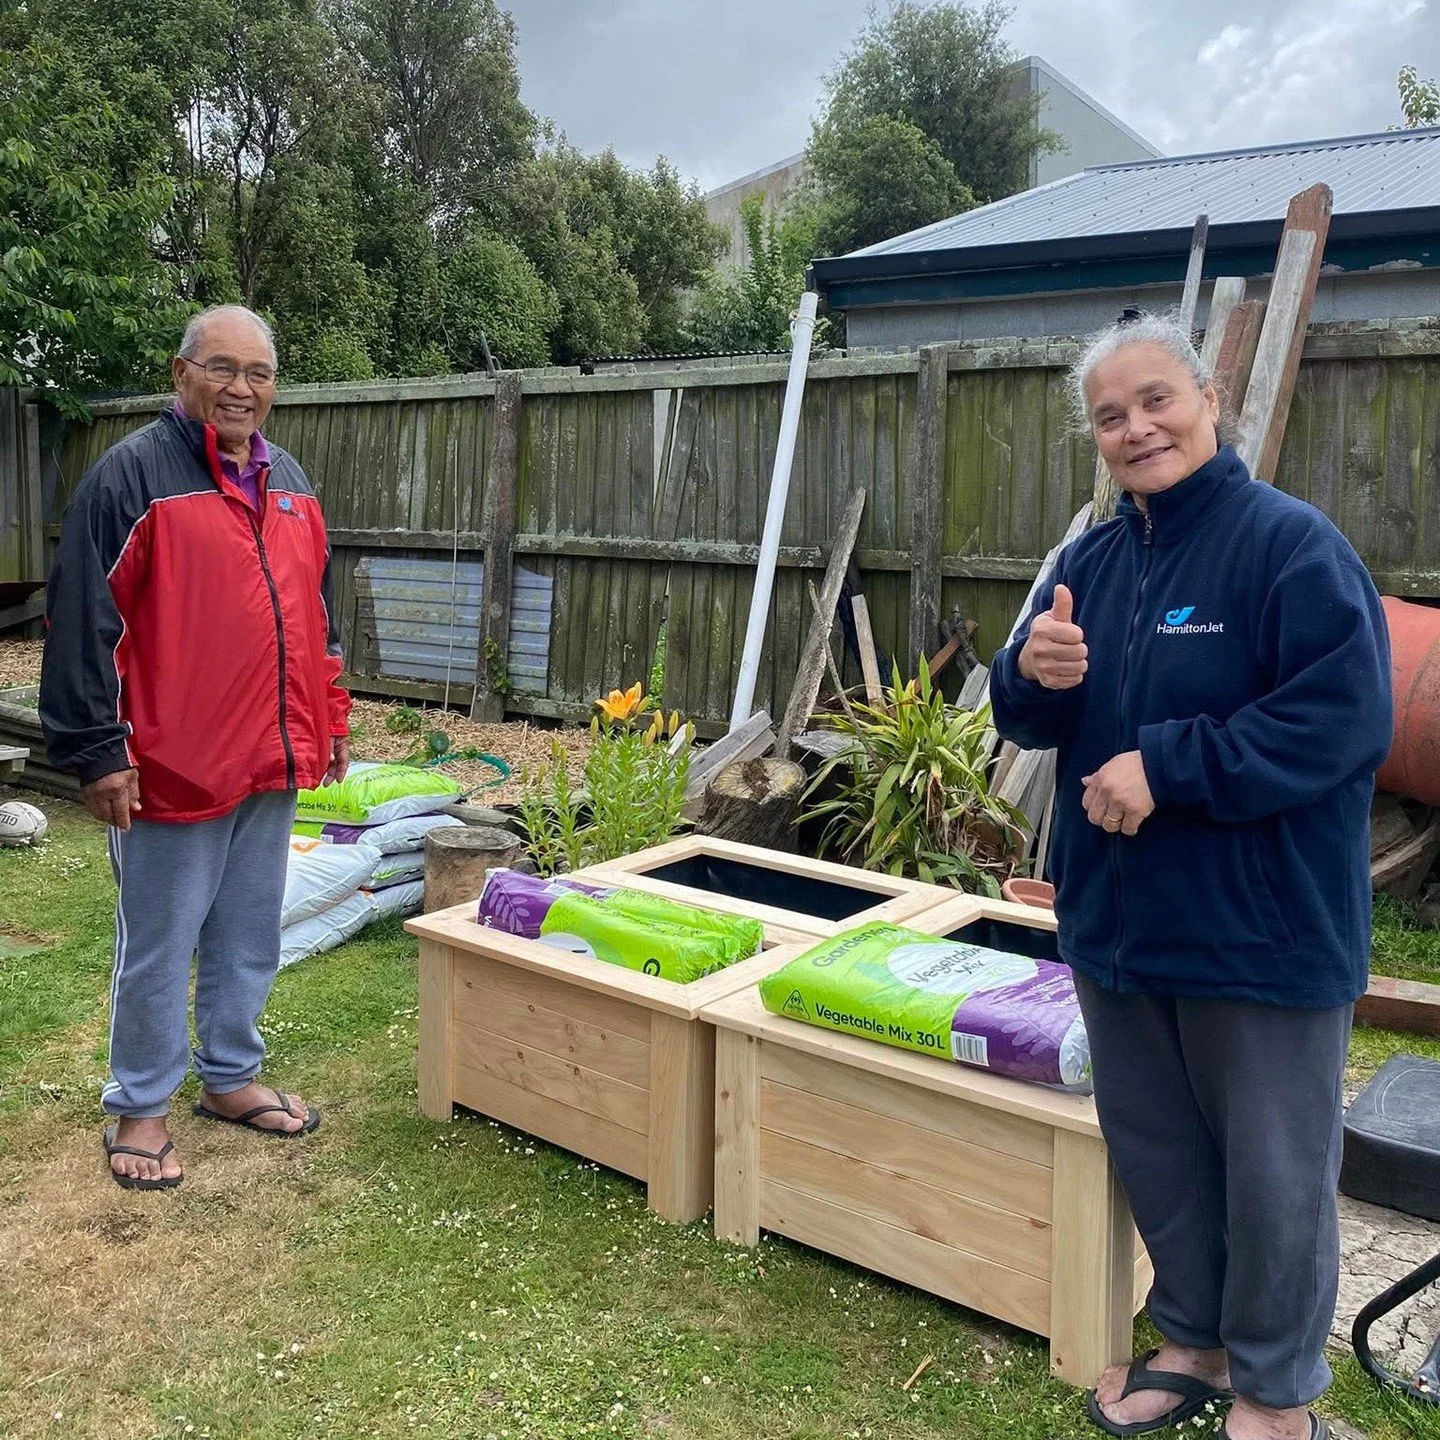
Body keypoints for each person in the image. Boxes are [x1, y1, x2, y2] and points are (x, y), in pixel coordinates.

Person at [990, 312, 1391, 1440]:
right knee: (1161, 1151)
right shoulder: (1090, 562)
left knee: (1272, 1175)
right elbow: (1022, 708)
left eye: (1154, 400)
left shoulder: (1290, 548)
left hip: (1260, 933)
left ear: (1209, 399)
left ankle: (1275, 1397)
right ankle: (1198, 1343)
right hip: (1121, 924)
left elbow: (1339, 721)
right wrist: (1031, 671)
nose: (1135, 429)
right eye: (1110, 417)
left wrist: (1170, 765)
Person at [40, 304, 352, 1191]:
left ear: (274, 388)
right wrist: (98, 750)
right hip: (170, 767)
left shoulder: (289, 481)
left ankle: (230, 1077)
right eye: (221, 369)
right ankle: (139, 1104)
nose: (239, 389)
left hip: (271, 754)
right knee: (160, 940)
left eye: (257, 374)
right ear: (181, 375)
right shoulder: (129, 478)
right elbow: (80, 626)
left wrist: (326, 720)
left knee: (250, 931)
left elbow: (314, 616)